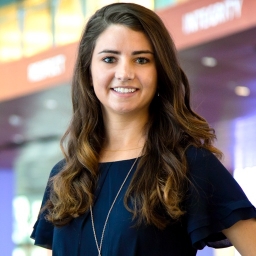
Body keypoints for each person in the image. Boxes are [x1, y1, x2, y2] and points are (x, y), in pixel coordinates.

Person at [31, 2, 256, 256]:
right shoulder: (64, 177)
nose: (125, 73)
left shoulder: (189, 164)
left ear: (159, 71)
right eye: (109, 59)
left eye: (141, 59)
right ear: (88, 70)